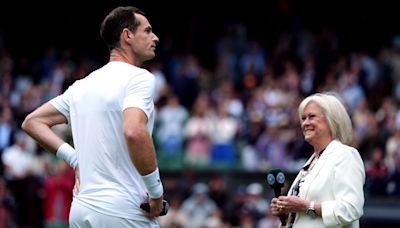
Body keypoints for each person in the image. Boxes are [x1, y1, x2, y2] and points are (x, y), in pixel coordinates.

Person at [21, 6, 165, 227]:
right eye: (147, 31)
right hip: (124, 210)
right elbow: (134, 131)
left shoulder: (81, 86)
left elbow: (33, 122)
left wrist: (74, 159)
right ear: (127, 35)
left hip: (80, 210)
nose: (155, 37)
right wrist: (156, 194)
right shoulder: (140, 78)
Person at [270, 92, 365, 228]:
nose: (305, 123)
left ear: (332, 119)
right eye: (303, 118)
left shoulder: (345, 155)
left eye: (311, 117)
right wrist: (286, 211)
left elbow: (351, 209)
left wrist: (307, 206)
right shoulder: (312, 161)